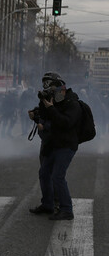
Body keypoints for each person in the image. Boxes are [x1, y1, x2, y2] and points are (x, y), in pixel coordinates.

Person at [28, 72, 81, 220]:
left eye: (50, 86)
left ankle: (67, 210)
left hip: (66, 145)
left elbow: (65, 123)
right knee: (44, 173)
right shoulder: (52, 101)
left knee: (57, 176)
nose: (48, 89)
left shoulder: (72, 102)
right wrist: (37, 113)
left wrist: (50, 108)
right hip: (53, 144)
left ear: (59, 86)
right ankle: (48, 204)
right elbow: (46, 118)